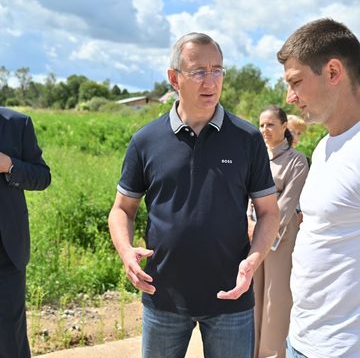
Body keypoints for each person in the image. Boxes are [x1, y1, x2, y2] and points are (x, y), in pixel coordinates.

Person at [108, 32, 280, 358]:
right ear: (174, 78)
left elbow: (269, 212)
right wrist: (125, 251)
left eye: (217, 70)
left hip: (232, 296)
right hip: (163, 296)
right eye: (198, 71)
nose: (210, 81)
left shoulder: (247, 139)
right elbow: (122, 209)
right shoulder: (146, 140)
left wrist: (253, 261)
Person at [277, 18, 360, 358]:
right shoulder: (326, 146)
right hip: (303, 338)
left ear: (333, 71)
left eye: (296, 82)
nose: (289, 97)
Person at [248, 106, 308, 358]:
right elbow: (245, 196)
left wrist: (261, 226)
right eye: (261, 125)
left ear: (284, 126)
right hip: (252, 235)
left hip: (281, 239)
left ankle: (271, 354)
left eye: (271, 124)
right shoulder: (255, 157)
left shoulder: (297, 160)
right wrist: (248, 225)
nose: (265, 130)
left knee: (276, 298)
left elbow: (286, 205)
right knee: (252, 295)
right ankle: (249, 351)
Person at [0, 107, 51, 357]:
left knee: (10, 336)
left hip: (6, 251)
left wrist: (10, 166)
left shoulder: (17, 123)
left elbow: (43, 176)